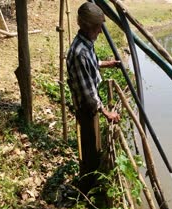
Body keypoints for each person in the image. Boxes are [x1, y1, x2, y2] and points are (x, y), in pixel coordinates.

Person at [66, 2, 120, 195]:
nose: (100, 32)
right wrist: (107, 112)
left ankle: (89, 181)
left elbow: (92, 62)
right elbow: (89, 97)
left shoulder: (85, 44)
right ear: (88, 27)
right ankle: (86, 191)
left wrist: (108, 63)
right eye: (98, 27)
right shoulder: (80, 52)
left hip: (89, 105)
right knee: (90, 153)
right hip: (87, 108)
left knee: (92, 146)